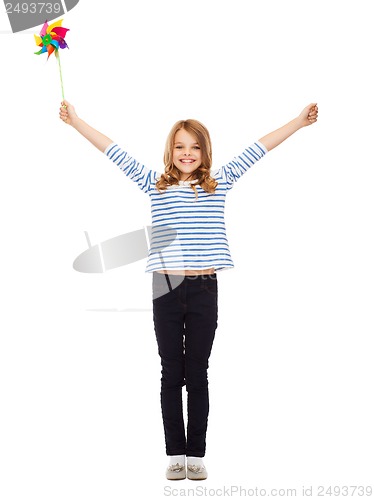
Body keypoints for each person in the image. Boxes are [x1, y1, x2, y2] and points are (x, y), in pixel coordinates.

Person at [59, 101, 318, 480]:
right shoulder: (155, 184)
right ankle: (174, 453)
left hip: (203, 287)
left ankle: (195, 453)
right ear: (171, 151)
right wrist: (76, 122)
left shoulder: (220, 181)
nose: (187, 153)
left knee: (197, 372)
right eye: (180, 146)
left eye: (195, 147)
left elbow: (259, 148)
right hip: (165, 286)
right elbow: (112, 150)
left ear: (205, 152)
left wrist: (297, 123)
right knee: (171, 373)